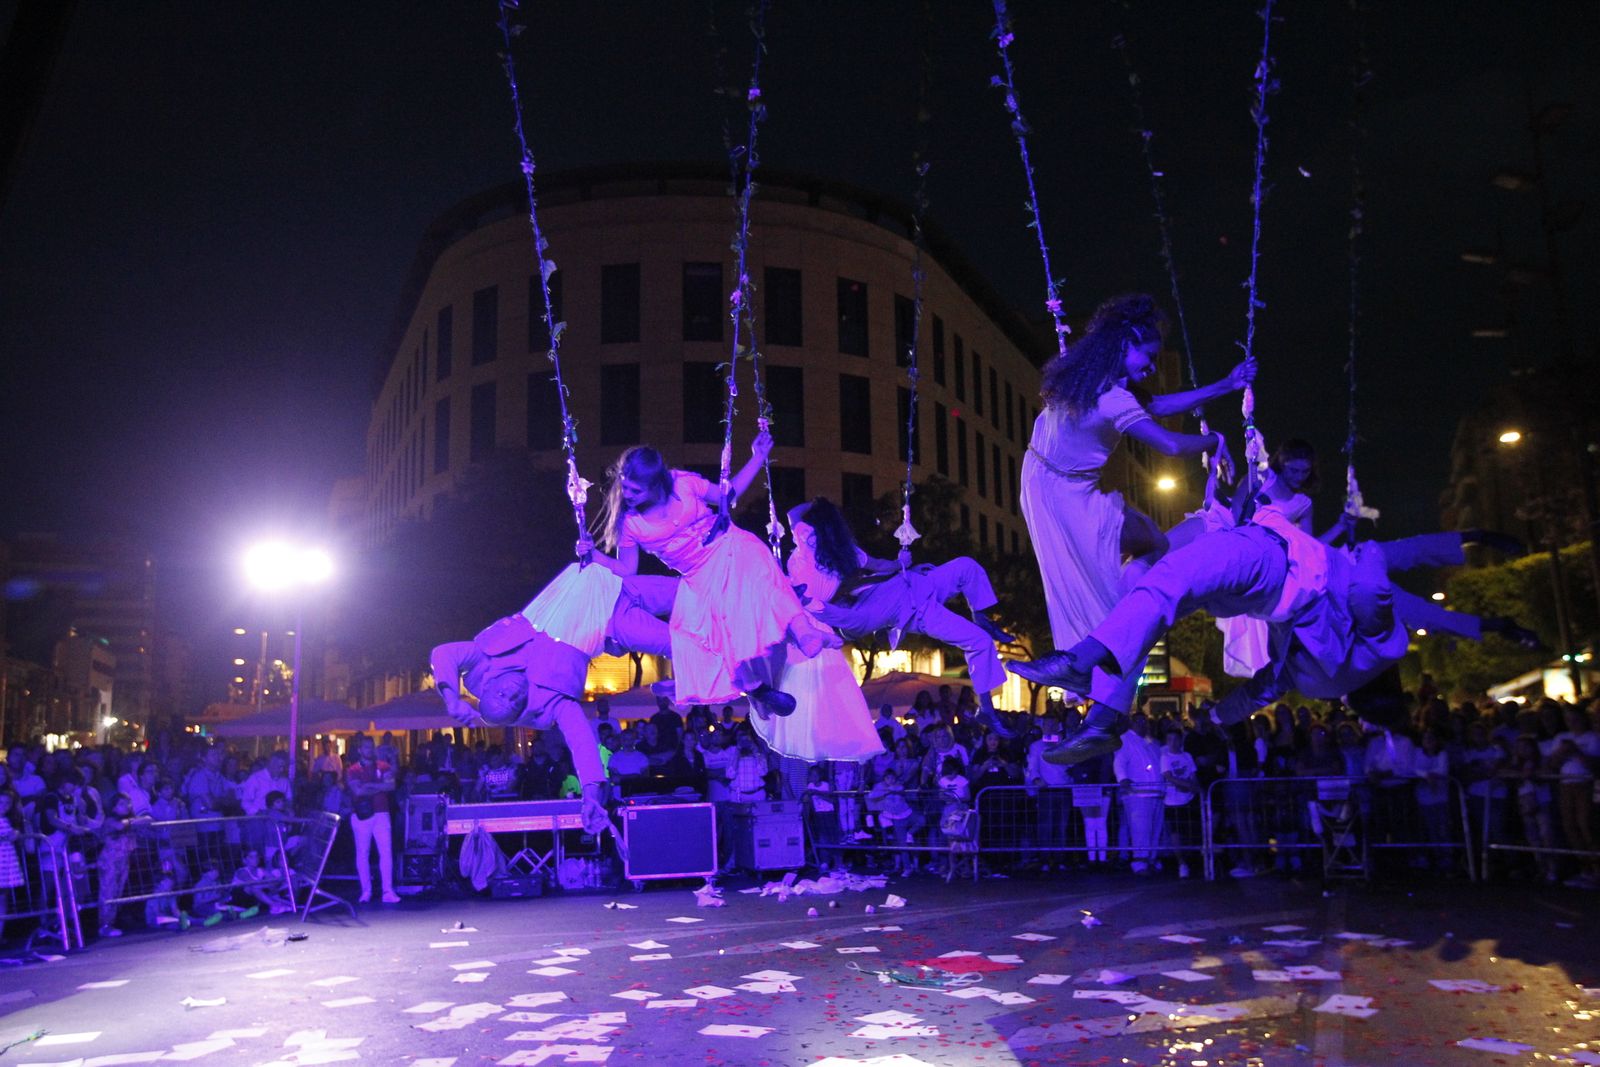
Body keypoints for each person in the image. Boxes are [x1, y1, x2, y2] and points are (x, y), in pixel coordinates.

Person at [1013, 523, 1536, 763]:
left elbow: (1385, 577)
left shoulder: (1377, 641)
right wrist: (1217, 717)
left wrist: (1379, 551)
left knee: (1165, 580)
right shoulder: (1334, 676)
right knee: (1153, 593)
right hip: (1256, 591)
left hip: (1271, 561)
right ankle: (1105, 717)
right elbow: (1265, 687)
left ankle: (1084, 666)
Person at [1019, 292, 1251, 735]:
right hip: (1068, 495)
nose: (1152, 366)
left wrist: (1226, 385)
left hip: (1039, 482)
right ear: (1124, 344)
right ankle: (1121, 622)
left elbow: (1157, 405)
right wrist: (1215, 441)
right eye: (1148, 356)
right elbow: (1170, 445)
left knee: (1136, 553)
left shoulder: (1081, 382)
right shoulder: (1111, 397)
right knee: (1154, 545)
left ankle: (1110, 626)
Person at [585, 433, 836, 719]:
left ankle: (803, 631)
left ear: (656, 485)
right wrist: (594, 555)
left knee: (759, 564)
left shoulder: (683, 484)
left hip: (727, 544)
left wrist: (757, 457)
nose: (627, 494)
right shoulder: (630, 523)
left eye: (636, 490)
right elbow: (627, 570)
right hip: (699, 577)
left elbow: (727, 496)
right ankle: (751, 688)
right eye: (625, 486)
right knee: (716, 629)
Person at [431, 561, 676, 833]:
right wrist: (592, 797)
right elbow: (582, 742)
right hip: (612, 620)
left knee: (690, 592)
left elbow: (443, 654)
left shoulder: (485, 659)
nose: (512, 694)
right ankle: (693, 680)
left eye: (502, 693)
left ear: (487, 687)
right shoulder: (553, 702)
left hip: (604, 584)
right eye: (515, 703)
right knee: (681, 642)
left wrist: (451, 698)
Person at [786, 496, 1014, 736]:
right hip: (913, 610)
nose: (806, 538)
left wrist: (900, 563)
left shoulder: (843, 553)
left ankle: (982, 619)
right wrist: (808, 603)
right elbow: (834, 616)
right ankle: (986, 708)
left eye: (812, 533)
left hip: (913, 583)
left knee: (967, 567)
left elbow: (879, 565)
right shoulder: (806, 573)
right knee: (979, 641)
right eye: (802, 535)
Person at [344, 734, 399, 904]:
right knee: (363, 853)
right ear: (360, 750)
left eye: (371, 746)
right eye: (366, 747)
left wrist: (369, 785)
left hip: (382, 812)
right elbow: (358, 791)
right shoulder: (353, 769)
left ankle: (387, 891)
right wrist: (380, 787)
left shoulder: (383, 766)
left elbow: (391, 786)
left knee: (386, 852)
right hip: (362, 814)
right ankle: (366, 891)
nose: (370, 750)